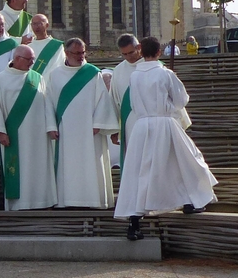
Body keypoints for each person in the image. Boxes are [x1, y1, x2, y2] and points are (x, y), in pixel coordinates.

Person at [114, 36, 218, 240]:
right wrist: (166, 104)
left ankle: (134, 222)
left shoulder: (134, 77)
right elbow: (181, 101)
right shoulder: (165, 74)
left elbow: (134, 105)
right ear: (159, 52)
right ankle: (191, 201)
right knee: (185, 162)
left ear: (141, 52)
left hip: (141, 126)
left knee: (140, 171)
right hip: (164, 123)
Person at [46, 38, 119, 208]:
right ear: (66, 53)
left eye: (83, 52)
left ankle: (93, 200)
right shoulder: (55, 75)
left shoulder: (92, 73)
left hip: (89, 130)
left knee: (90, 164)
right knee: (68, 165)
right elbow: (48, 102)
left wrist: (98, 122)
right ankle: (68, 200)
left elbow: (103, 99)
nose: (81, 56)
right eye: (77, 53)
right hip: (65, 130)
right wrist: (50, 125)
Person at [0, 45, 58, 211]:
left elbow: (47, 103)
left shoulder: (37, 78)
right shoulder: (0, 80)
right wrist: (0, 131)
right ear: (17, 58)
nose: (32, 63)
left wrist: (51, 127)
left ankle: (42, 201)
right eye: (29, 59)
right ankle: (19, 204)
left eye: (33, 59)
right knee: (19, 170)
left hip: (38, 134)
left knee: (39, 167)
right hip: (14, 136)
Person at [110, 34, 142, 171]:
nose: (128, 57)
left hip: (152, 123)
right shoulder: (118, 71)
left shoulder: (153, 66)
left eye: (131, 52)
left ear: (139, 47)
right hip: (129, 125)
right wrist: (114, 129)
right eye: (124, 54)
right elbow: (113, 100)